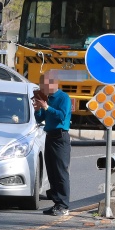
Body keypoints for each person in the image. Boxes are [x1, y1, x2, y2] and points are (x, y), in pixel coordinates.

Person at [33, 70, 72, 216]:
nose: (42, 87)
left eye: (44, 84)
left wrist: (46, 107)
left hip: (60, 137)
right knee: (51, 171)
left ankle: (64, 205)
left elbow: (62, 116)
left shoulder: (63, 98)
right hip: (49, 136)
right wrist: (38, 110)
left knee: (61, 172)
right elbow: (40, 118)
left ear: (53, 83)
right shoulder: (47, 98)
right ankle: (57, 203)